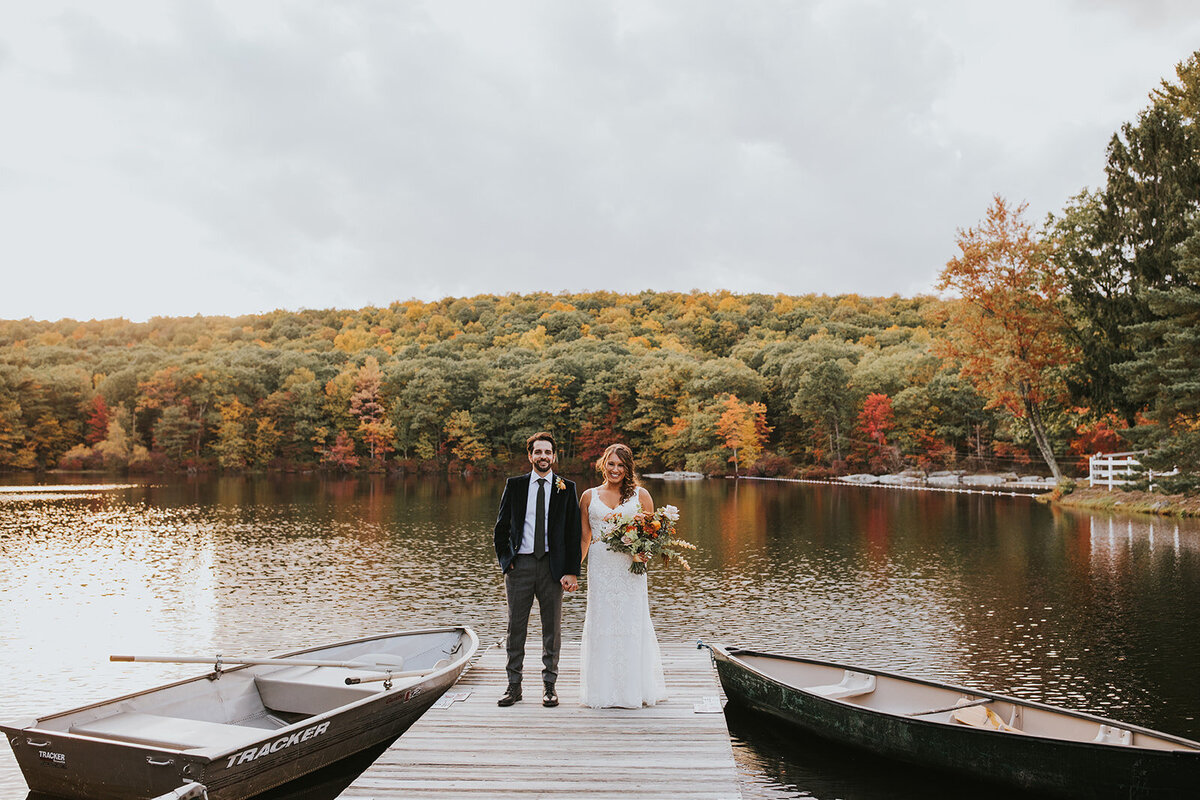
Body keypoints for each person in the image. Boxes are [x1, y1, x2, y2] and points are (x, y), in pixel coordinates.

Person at [493, 431, 582, 708]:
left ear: (554, 456)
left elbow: (573, 533)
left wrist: (571, 570)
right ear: (530, 456)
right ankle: (514, 686)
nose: (543, 457)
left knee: (551, 629)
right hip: (520, 566)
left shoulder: (566, 487)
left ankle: (549, 687)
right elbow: (501, 528)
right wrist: (508, 562)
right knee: (515, 628)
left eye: (547, 452)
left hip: (552, 569)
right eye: (538, 452)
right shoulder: (516, 485)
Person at [578, 443, 668, 708]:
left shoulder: (641, 496)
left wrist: (643, 554)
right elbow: (585, 538)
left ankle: (633, 690)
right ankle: (602, 691)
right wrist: (572, 572)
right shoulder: (588, 496)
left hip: (630, 570)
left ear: (628, 468)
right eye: (611, 463)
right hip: (601, 568)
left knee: (630, 624)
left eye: (621, 465)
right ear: (603, 464)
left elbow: (651, 536)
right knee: (602, 623)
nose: (615, 469)